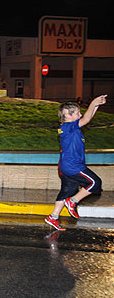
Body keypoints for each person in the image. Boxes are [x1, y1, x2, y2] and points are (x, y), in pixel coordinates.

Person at [44, 96, 107, 230]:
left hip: (67, 165)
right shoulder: (67, 127)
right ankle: (73, 201)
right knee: (95, 183)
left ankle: (53, 217)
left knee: (67, 190)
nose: (81, 114)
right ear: (68, 115)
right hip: (73, 166)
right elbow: (87, 119)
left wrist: (96, 106)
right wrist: (94, 102)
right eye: (78, 113)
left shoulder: (72, 128)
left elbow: (87, 119)